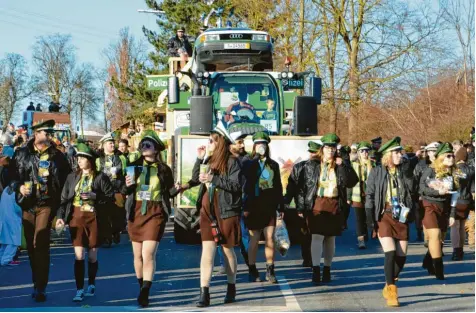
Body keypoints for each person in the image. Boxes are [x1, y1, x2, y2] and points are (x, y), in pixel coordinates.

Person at [180, 122, 242, 307]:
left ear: (220, 143)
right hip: (208, 210)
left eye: (211, 141)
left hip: (226, 210)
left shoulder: (232, 162)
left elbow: (236, 186)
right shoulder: (207, 160)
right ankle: (204, 293)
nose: (208, 144)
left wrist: (214, 178)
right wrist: (199, 160)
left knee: (227, 250)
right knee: (207, 252)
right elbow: (195, 178)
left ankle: (231, 287)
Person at [9, 119, 71, 302]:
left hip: (46, 204)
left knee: (41, 242)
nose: (49, 136)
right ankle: (36, 282)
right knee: (31, 246)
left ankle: (41, 287)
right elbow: (10, 176)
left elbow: (66, 183)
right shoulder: (21, 153)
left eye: (51, 133)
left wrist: (61, 213)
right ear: (36, 134)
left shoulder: (57, 156)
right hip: (28, 204)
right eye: (46, 133)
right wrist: (19, 186)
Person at [124, 130, 178, 307]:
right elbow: (124, 191)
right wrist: (127, 186)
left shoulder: (164, 169)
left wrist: (179, 189)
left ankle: (146, 292)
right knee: (137, 256)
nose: (144, 147)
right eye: (142, 145)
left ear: (156, 150)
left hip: (155, 211)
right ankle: (142, 286)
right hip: (137, 210)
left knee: (148, 254)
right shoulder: (133, 166)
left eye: (148, 145)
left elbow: (169, 192)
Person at [297, 133, 358, 285]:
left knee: (330, 238)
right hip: (317, 203)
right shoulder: (312, 165)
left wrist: (343, 164)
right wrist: (300, 206)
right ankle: (316, 269)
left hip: (334, 203)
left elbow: (351, 182)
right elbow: (303, 187)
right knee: (316, 237)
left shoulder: (340, 165)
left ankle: (327, 269)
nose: (330, 151)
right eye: (328, 148)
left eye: (333, 148)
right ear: (322, 149)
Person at [56, 143, 114, 302]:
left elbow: (111, 198)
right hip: (76, 217)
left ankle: (92, 283)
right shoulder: (72, 177)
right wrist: (61, 216)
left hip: (94, 219)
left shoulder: (100, 177)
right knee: (79, 255)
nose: (79, 161)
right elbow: (63, 199)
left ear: (90, 160)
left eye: (82, 158)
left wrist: (96, 197)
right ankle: (79, 289)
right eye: (78, 158)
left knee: (92, 257)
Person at [365, 137, 416, 307]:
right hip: (384, 214)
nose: (399, 155)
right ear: (388, 155)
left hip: (401, 215)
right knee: (391, 252)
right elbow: (370, 196)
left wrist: (407, 170)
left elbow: (412, 190)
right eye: (396, 152)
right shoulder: (377, 172)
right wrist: (371, 220)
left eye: (400, 152)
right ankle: (393, 291)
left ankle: (388, 283)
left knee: (402, 256)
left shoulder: (405, 170)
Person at [243, 132, 283, 284]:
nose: (261, 147)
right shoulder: (248, 163)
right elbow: (245, 183)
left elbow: (278, 186)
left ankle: (270, 269)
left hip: (269, 204)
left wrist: (281, 206)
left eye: (264, 144)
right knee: (254, 239)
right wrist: (254, 161)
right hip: (254, 205)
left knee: (270, 238)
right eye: (258, 144)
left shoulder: (273, 164)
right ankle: (252, 269)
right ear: (254, 146)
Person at [419, 142, 458, 280]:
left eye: (453, 155)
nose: (451, 158)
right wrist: (437, 192)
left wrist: (453, 214)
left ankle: (428, 261)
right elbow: (422, 188)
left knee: (439, 240)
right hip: (430, 206)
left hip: (445, 208)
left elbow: (455, 195)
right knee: (434, 236)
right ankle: (439, 270)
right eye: (448, 156)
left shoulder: (454, 173)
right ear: (440, 157)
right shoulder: (430, 170)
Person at [284, 141, 321, 267]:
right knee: (308, 233)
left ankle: (309, 258)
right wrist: (286, 203)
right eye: (313, 152)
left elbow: (291, 188)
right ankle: (309, 258)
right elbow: (293, 187)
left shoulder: (323, 166)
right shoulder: (301, 167)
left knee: (308, 233)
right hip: (307, 205)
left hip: (308, 205)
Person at [96, 133, 127, 246]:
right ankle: (106, 238)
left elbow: (126, 175)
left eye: (113, 143)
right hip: (103, 192)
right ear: (104, 145)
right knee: (104, 215)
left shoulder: (122, 158)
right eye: (110, 143)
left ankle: (115, 232)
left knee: (118, 215)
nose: (113, 145)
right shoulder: (98, 159)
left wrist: (124, 190)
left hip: (118, 191)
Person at [348, 141, 373, 249]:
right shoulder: (353, 164)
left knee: (368, 216)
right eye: (362, 151)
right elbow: (349, 182)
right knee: (359, 218)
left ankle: (367, 230)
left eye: (366, 151)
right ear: (358, 152)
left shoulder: (373, 164)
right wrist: (348, 197)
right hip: (357, 194)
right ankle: (361, 239)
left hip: (369, 194)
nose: (364, 153)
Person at [450, 147, 474, 260]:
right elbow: (473, 188)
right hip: (467, 200)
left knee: (455, 226)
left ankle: (455, 251)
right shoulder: (471, 170)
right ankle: (461, 251)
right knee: (462, 226)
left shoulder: (454, 170)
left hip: (456, 200)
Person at [414, 142, 440, 244]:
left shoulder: (443, 163)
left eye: (435, 151)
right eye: (431, 151)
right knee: (426, 217)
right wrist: (418, 194)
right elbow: (416, 180)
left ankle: (437, 243)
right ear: (427, 153)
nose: (433, 153)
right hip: (425, 196)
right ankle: (427, 238)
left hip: (441, 197)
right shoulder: (420, 165)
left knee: (440, 223)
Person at [0, 153, 21, 266]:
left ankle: (2, 258)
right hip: (12, 218)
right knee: (13, 239)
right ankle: (6, 259)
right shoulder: (16, 190)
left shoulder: (6, 190)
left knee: (4, 240)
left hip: (4, 216)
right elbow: (19, 207)